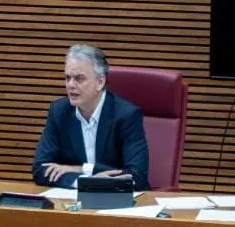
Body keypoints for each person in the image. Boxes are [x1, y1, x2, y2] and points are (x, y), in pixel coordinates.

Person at [32, 44, 150, 190]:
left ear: (100, 82)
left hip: (120, 200)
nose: (70, 85)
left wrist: (82, 169)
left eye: (79, 79)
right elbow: (40, 169)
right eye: (68, 78)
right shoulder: (59, 112)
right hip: (73, 200)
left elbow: (136, 176)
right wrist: (86, 182)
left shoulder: (126, 115)